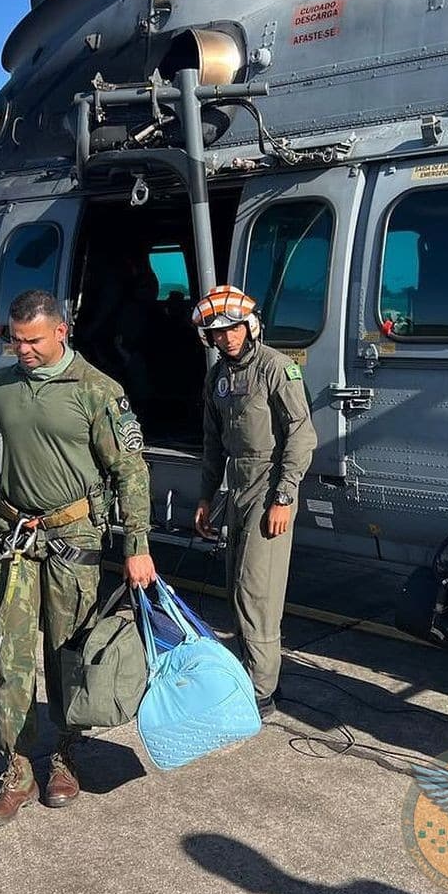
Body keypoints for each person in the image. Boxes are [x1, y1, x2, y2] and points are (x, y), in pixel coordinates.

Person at [0, 289, 156, 827]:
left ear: (61, 332)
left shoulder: (96, 391)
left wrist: (137, 546)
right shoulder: (2, 385)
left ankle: (66, 757)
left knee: (67, 655)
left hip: (75, 542)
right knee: (12, 657)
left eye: (32, 341)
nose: (22, 350)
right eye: (15, 340)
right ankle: (18, 768)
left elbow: (131, 472)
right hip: (16, 542)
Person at [191, 285, 316, 718]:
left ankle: (262, 690)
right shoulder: (217, 378)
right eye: (215, 332)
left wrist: (284, 496)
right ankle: (248, 672)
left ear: (250, 326)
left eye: (232, 329)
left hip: (268, 485)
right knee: (234, 587)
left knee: (256, 592)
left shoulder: (277, 369)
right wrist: (206, 497)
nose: (225, 338)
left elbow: (301, 436)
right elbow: (213, 443)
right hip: (236, 485)